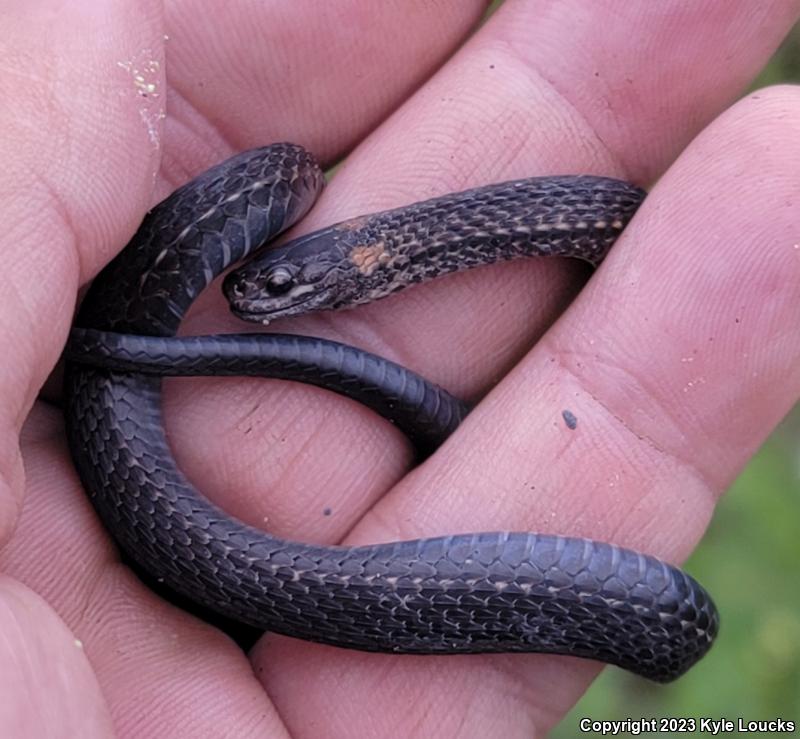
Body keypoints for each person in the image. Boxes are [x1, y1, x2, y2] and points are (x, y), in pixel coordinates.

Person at [1, 2, 798, 736]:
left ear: (366, 268)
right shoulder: (319, 219)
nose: (254, 297)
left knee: (672, 619)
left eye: (277, 286)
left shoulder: (479, 227)